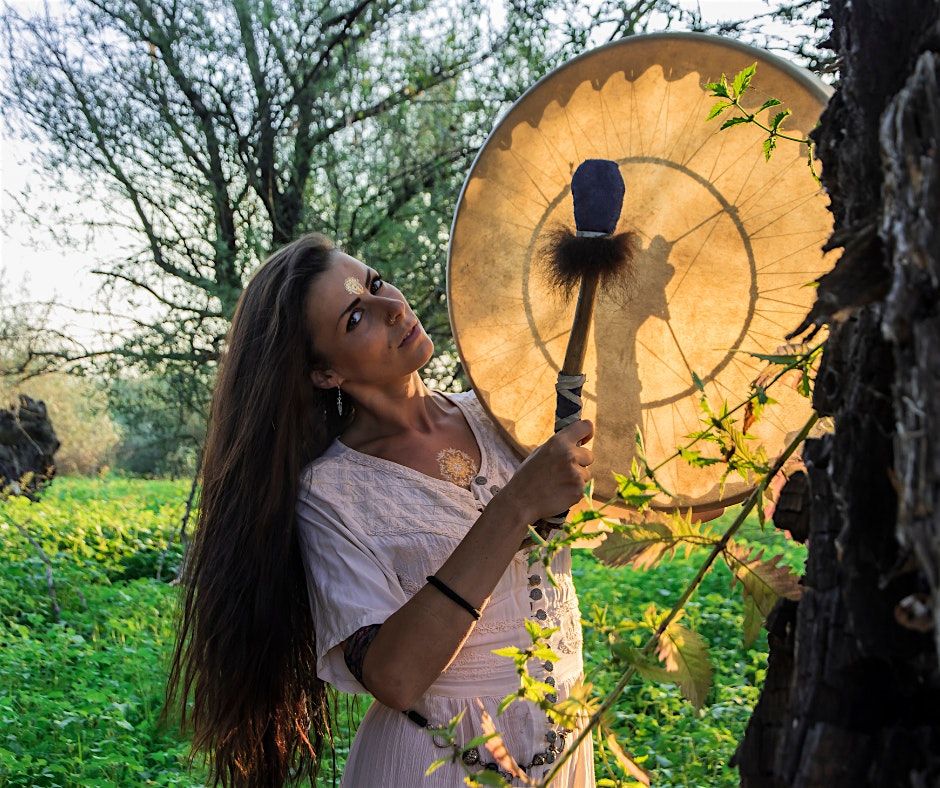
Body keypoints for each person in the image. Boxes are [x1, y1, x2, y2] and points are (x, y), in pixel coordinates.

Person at [164, 232, 597, 787]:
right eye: (355, 318)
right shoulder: (331, 493)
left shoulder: (501, 414)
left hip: (562, 749)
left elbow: (627, 487)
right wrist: (515, 505)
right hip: (437, 767)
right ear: (325, 374)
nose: (392, 307)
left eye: (376, 283)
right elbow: (395, 677)